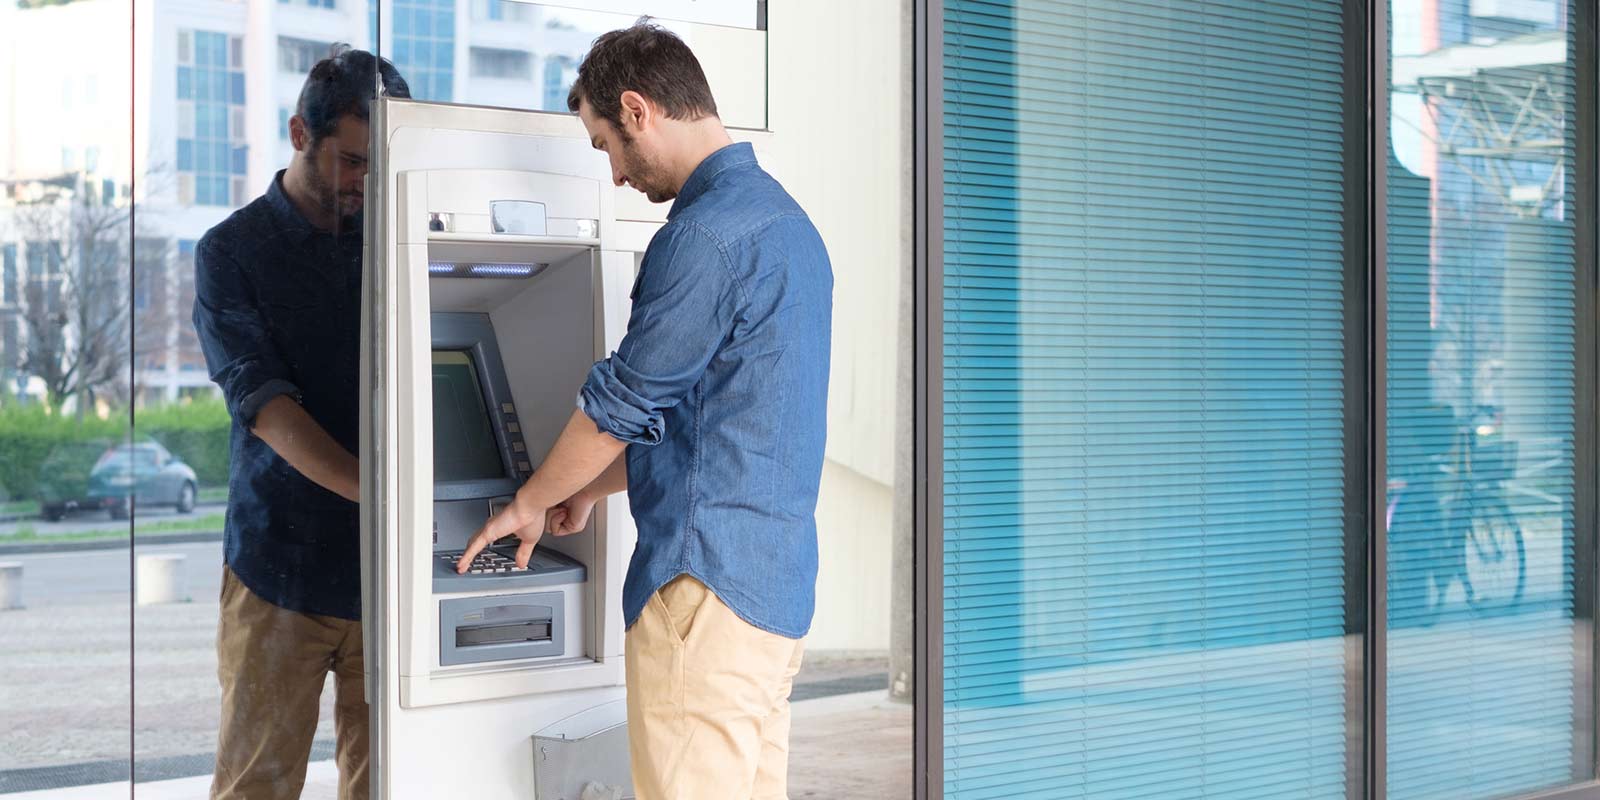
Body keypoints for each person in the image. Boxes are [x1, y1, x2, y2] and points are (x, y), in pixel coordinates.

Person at [455, 21, 833, 800]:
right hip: (772, 595)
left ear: (636, 109)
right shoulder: (791, 229)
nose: (617, 175)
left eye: (606, 147)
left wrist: (530, 501)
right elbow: (711, 424)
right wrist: (588, 489)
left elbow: (619, 407)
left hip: (704, 597)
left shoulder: (703, 238)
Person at [192, 46, 409, 800]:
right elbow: (266, 409)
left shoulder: (398, 239)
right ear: (299, 134)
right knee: (257, 784)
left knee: (389, 783)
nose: (366, 183)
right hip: (276, 570)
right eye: (352, 162)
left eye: (379, 163)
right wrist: (383, 492)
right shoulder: (231, 251)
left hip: (387, 579)